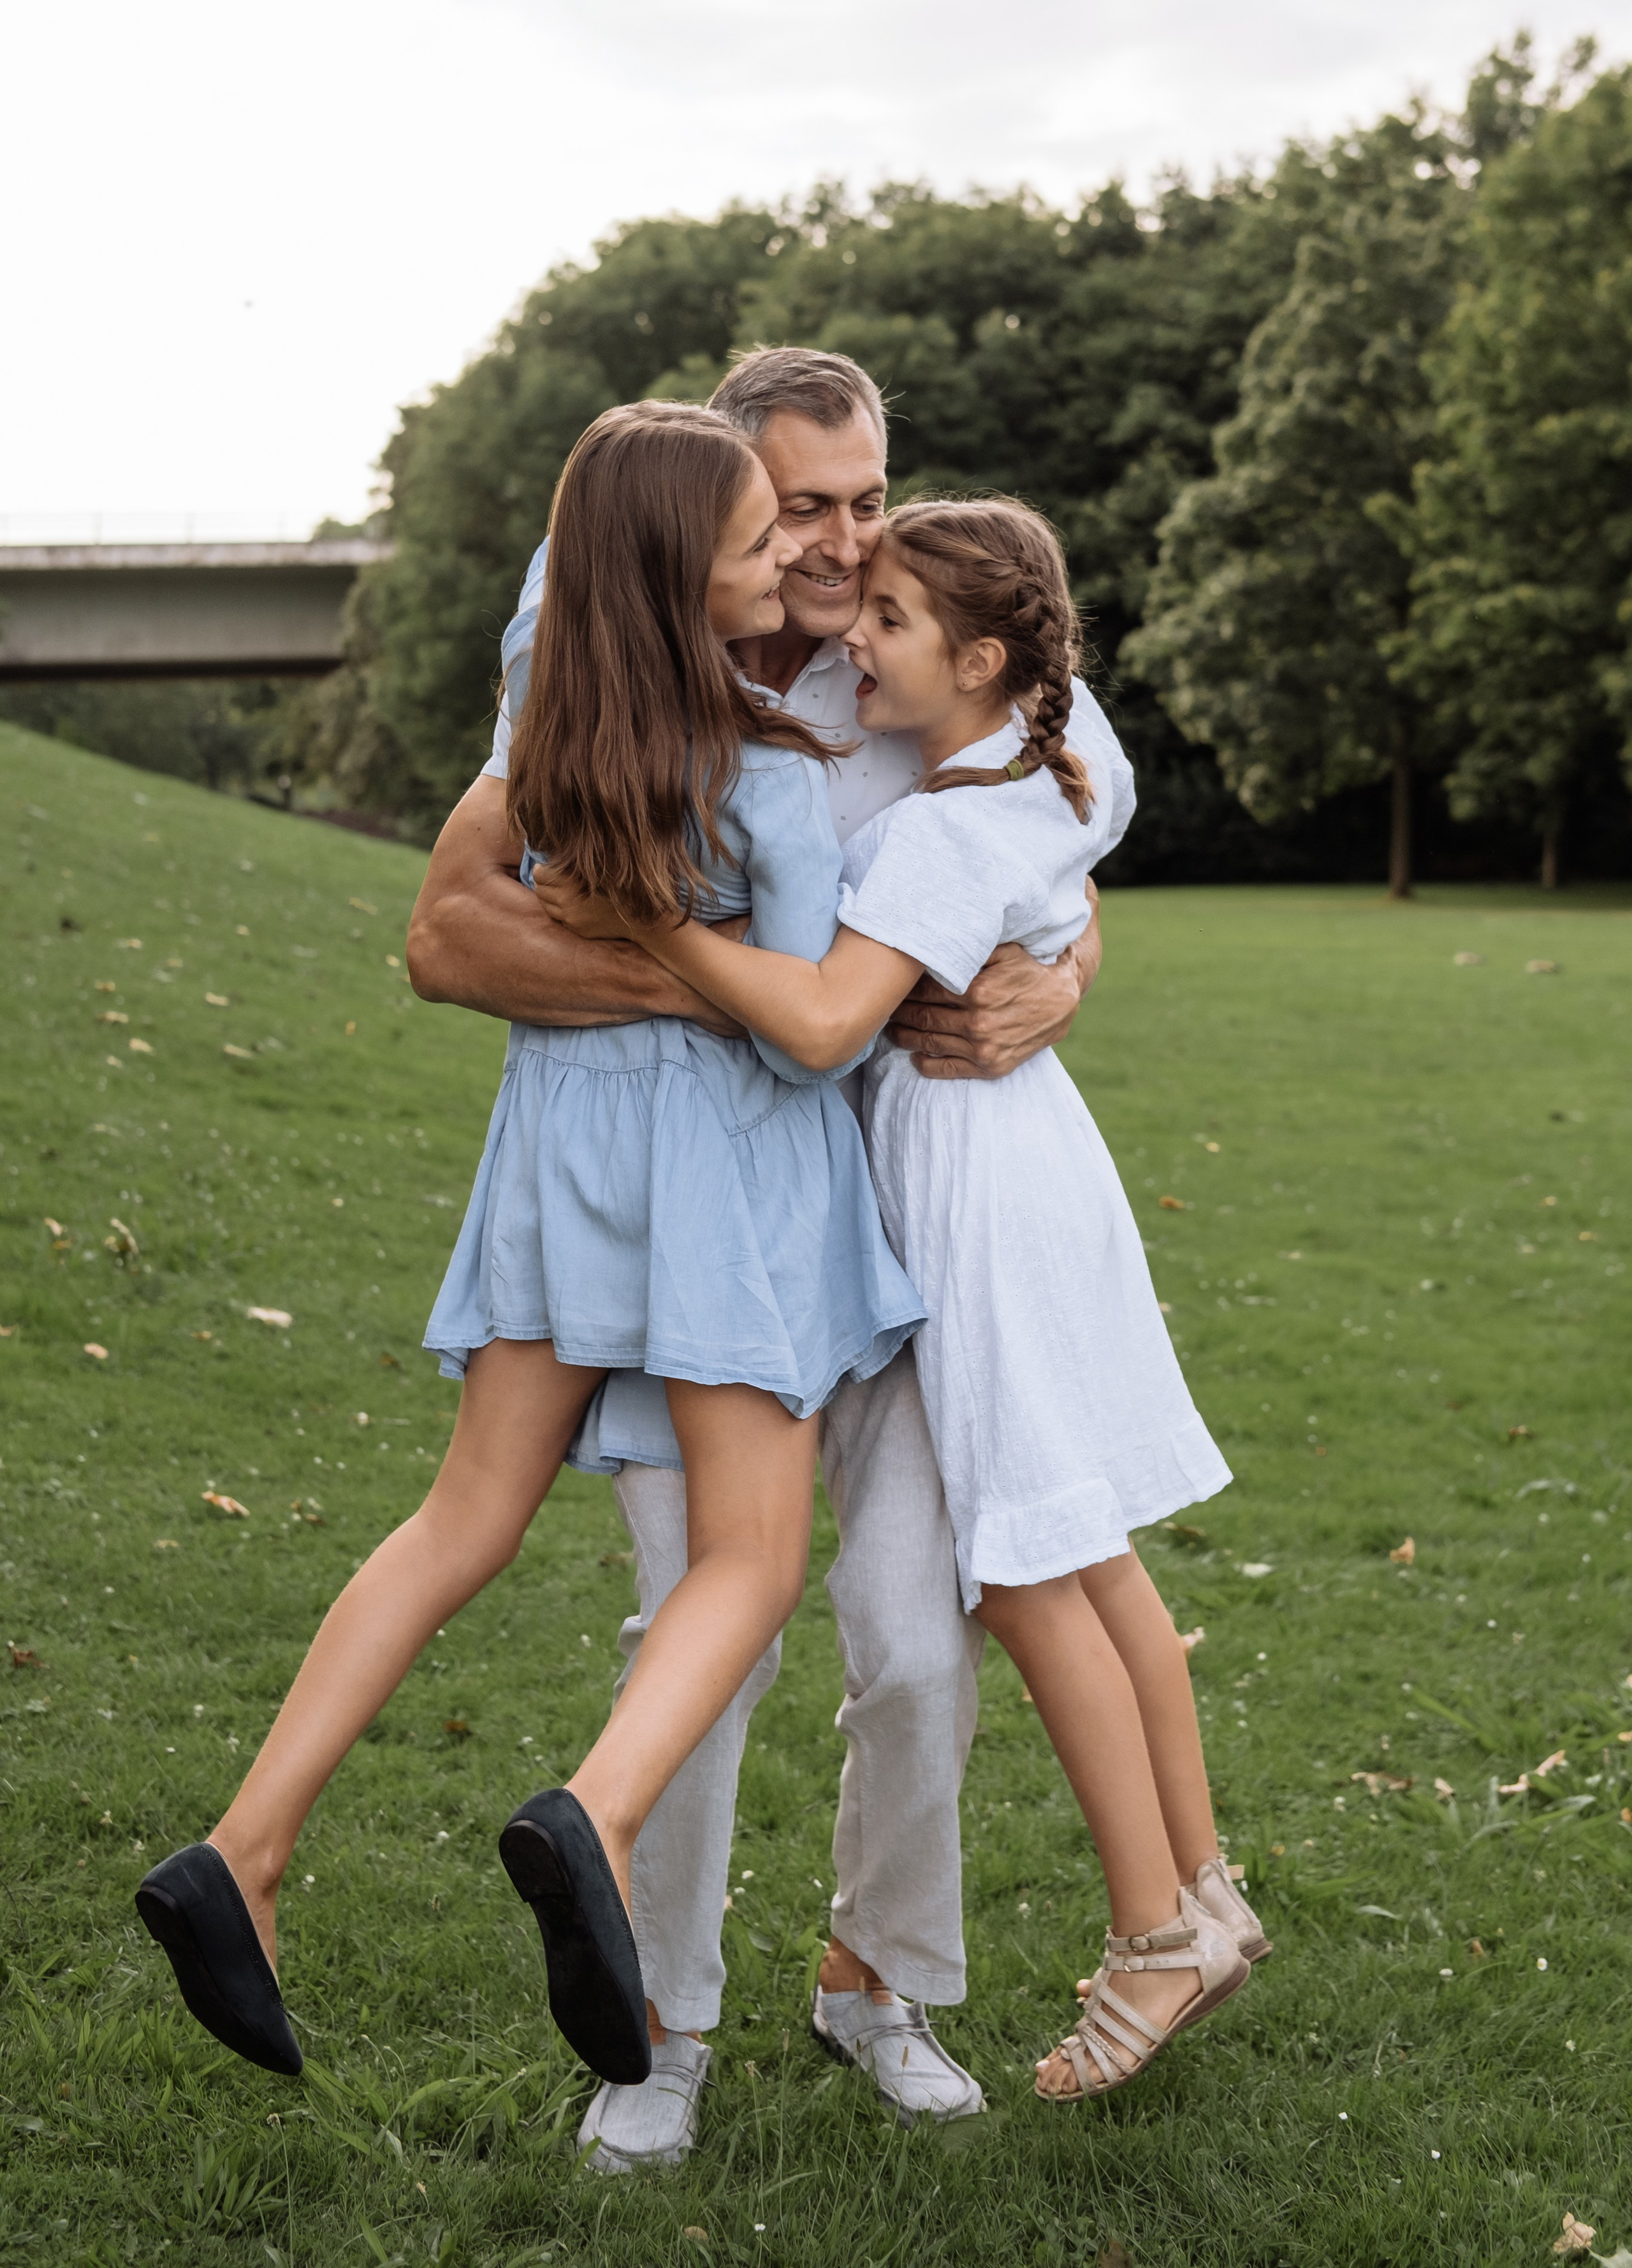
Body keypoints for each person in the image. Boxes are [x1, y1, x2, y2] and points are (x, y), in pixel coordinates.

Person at [133, 402, 923, 2091]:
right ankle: (601, 1814)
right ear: (680, 576)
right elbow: (809, 1031)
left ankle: (245, 1849)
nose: (787, 556)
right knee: (753, 1556)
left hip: (559, 1144)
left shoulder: (547, 762)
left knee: (460, 1517)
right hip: (724, 1175)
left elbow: (465, 907)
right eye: (752, 540)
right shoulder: (776, 777)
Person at [408, 347, 1125, 2169]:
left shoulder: (918, 630)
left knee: (908, 1639)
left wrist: (1072, 959)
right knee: (700, 1636)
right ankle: (660, 2033)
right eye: (805, 505)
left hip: (895, 1210)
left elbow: (1064, 792)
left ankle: (877, 1979)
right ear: (725, 498)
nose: (841, 539)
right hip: (702, 1224)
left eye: (865, 497)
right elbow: (460, 934)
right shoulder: (597, 614)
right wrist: (744, 1002)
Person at [539, 496, 1267, 2105]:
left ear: (981, 657)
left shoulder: (950, 808)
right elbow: (1076, 806)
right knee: (1080, 1543)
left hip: (957, 1180)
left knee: (1015, 1561)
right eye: (815, 527)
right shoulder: (1042, 750)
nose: (850, 598)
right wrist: (1054, 934)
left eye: (883, 594)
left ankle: (1152, 1935)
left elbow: (821, 1022)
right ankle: (1202, 1895)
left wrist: (654, 916)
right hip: (1001, 1165)